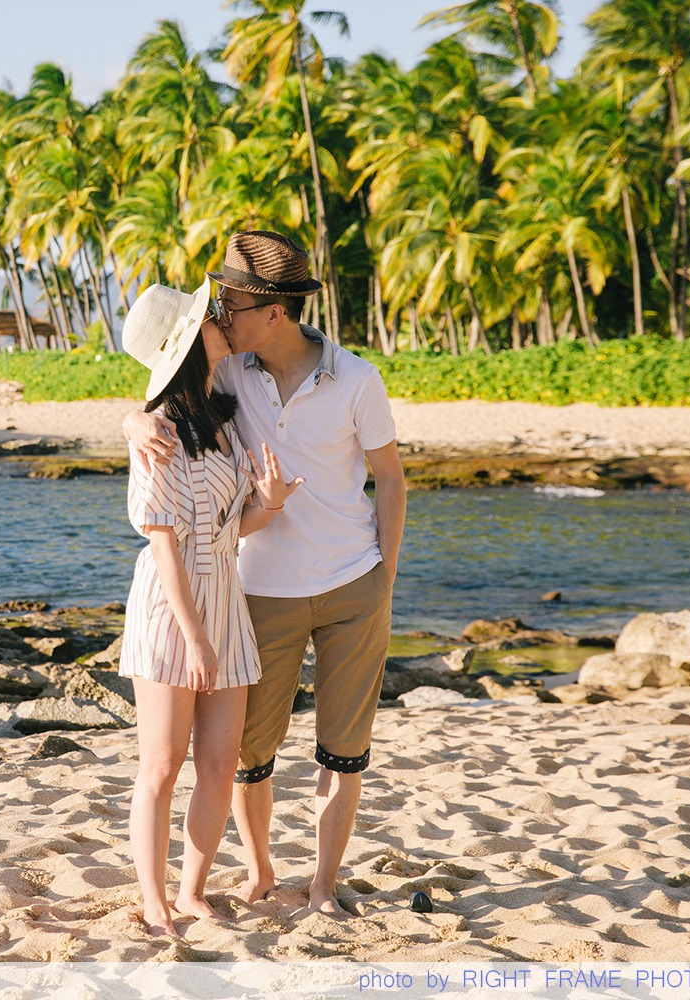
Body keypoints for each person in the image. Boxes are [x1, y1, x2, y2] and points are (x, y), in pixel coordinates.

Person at [125, 231, 407, 918]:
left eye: (231, 304)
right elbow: (160, 404)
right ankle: (240, 877)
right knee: (225, 758)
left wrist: (384, 582)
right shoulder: (229, 374)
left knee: (327, 752)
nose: (220, 315)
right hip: (242, 595)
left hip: (339, 585)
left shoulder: (348, 380)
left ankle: (309, 888)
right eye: (213, 307)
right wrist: (131, 422)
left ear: (274, 311)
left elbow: (391, 481)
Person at [118, 278, 305, 938]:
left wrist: (271, 504)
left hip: (225, 599)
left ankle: (192, 891)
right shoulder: (158, 433)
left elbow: (227, 530)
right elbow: (165, 544)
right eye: (206, 318)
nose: (220, 320)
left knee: (220, 764)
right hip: (174, 612)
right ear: (189, 342)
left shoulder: (220, 424)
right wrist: (194, 638)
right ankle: (153, 900)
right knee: (162, 766)